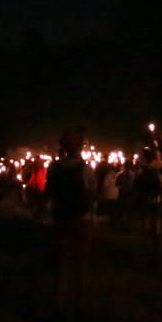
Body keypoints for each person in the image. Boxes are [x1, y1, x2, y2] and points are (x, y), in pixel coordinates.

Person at [44, 131, 96, 306]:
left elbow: (48, 192)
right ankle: (80, 300)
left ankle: (59, 298)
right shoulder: (85, 169)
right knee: (81, 261)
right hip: (82, 219)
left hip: (60, 218)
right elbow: (92, 193)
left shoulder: (53, 168)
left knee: (62, 260)